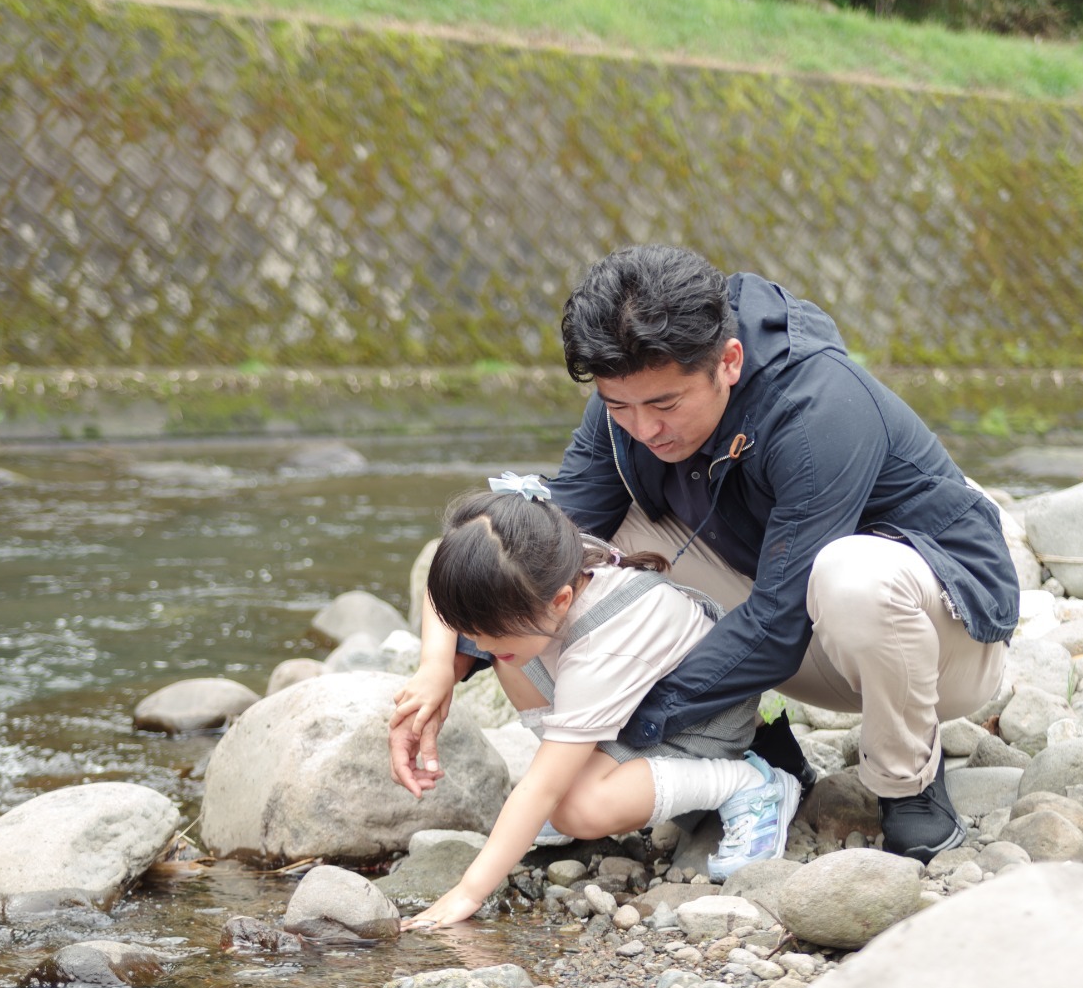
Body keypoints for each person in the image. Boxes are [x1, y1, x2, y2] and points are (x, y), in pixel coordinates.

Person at [397, 245, 1020, 863]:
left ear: (728, 361)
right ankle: (757, 750)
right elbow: (531, 553)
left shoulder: (818, 410)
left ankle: (906, 783)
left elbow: (778, 621)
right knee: (572, 546)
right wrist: (443, 664)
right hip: (785, 604)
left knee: (852, 575)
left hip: (937, 638)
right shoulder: (631, 399)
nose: (644, 428)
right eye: (620, 407)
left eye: (666, 405)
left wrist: (624, 734)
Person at [392, 474, 803, 930]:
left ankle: (746, 783)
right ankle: (582, 765)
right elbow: (441, 576)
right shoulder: (544, 561)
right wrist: (435, 667)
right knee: (512, 658)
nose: (478, 643)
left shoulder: (603, 646)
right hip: (636, 708)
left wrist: (468, 892)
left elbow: (541, 788)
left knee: (573, 808)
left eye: (493, 632)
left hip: (694, 730)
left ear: (561, 600)